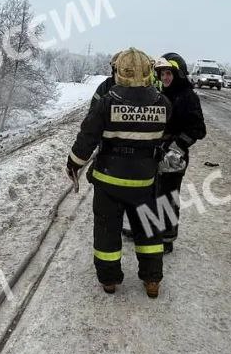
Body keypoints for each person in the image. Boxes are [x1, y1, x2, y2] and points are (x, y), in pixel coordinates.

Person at [66, 48, 172, 298]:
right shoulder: (163, 103)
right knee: (148, 230)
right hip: (145, 182)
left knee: (106, 231)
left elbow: (87, 139)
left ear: (119, 71)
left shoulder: (107, 101)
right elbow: (164, 137)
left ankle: (109, 280)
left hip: (108, 182)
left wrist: (73, 164)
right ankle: (152, 281)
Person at [153, 52, 207, 254]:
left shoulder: (187, 96)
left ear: (178, 74)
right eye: (162, 74)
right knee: (154, 193)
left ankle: (166, 239)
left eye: (169, 73)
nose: (165, 78)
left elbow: (199, 129)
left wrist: (177, 146)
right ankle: (151, 231)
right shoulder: (161, 95)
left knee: (167, 197)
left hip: (174, 157)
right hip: (157, 152)